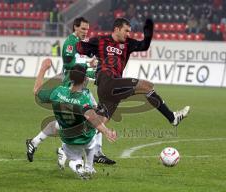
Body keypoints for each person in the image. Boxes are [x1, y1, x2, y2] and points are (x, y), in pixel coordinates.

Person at [26, 17, 116, 167]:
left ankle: (36, 142)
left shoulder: (81, 45)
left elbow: (81, 67)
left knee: (68, 122)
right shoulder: (70, 43)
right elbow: (69, 64)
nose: (85, 32)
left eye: (87, 29)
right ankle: (76, 151)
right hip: (71, 85)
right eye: (82, 29)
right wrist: (89, 64)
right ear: (75, 27)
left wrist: (96, 73)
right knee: (92, 116)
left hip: (78, 85)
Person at [76, 17, 190, 126]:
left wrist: (148, 33)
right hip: (106, 80)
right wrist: (84, 46)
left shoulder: (128, 43)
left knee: (99, 122)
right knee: (147, 86)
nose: (128, 34)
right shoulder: (100, 40)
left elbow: (144, 46)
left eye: (129, 31)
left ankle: (68, 133)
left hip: (113, 87)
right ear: (117, 29)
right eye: (126, 31)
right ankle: (172, 117)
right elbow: (80, 48)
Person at [33, 59, 117, 179]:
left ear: (70, 78)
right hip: (85, 137)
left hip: (67, 137)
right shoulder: (84, 99)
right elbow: (94, 120)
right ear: (85, 79)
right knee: (92, 138)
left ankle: (81, 166)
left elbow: (36, 91)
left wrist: (43, 69)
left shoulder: (58, 92)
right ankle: (85, 166)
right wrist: (107, 132)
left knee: (73, 157)